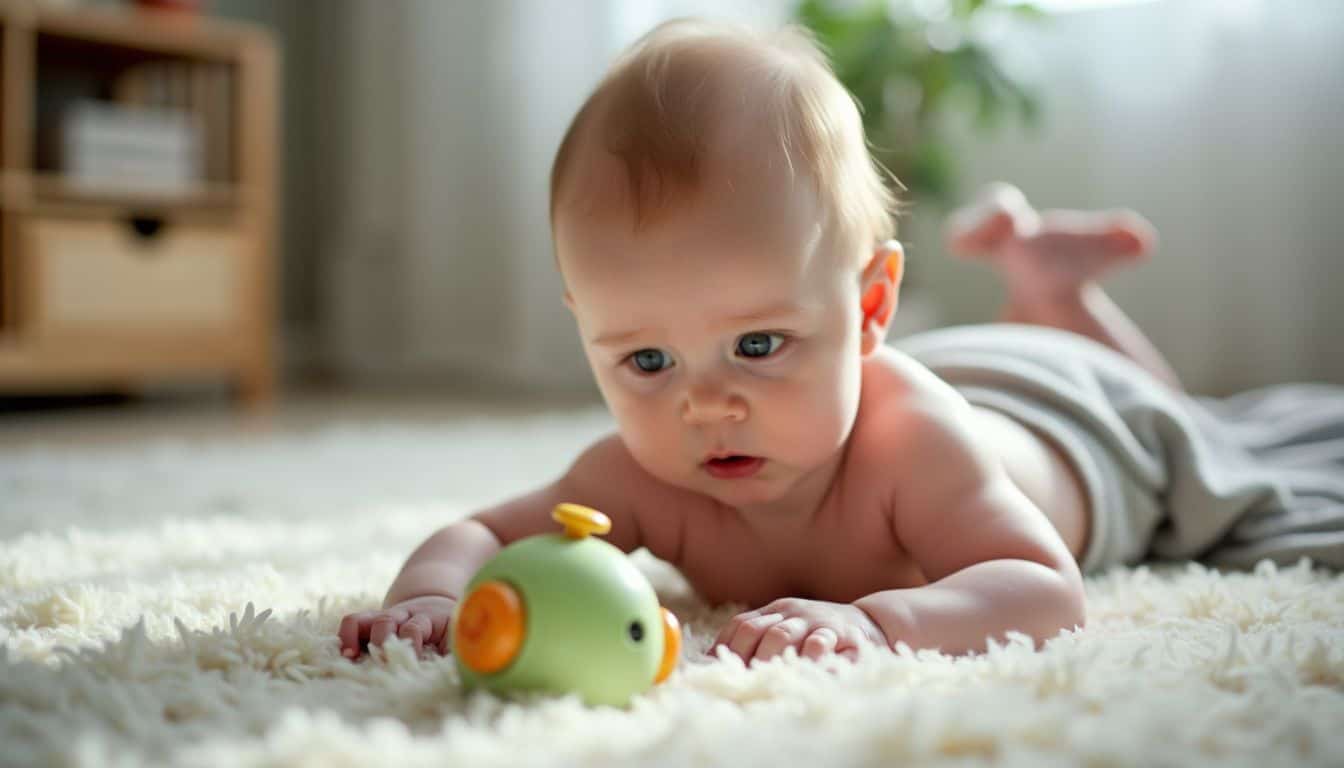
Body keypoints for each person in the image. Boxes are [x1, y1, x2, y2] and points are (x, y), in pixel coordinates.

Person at [339, 19, 1344, 665]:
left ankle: (1058, 304)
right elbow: (479, 532)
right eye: (645, 361)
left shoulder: (920, 453)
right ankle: (1041, 286)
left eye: (759, 344)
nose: (705, 404)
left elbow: (1046, 594)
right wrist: (427, 596)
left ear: (868, 311)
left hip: (1083, 422)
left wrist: (880, 621)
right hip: (944, 374)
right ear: (587, 330)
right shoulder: (642, 476)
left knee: (1191, 424)